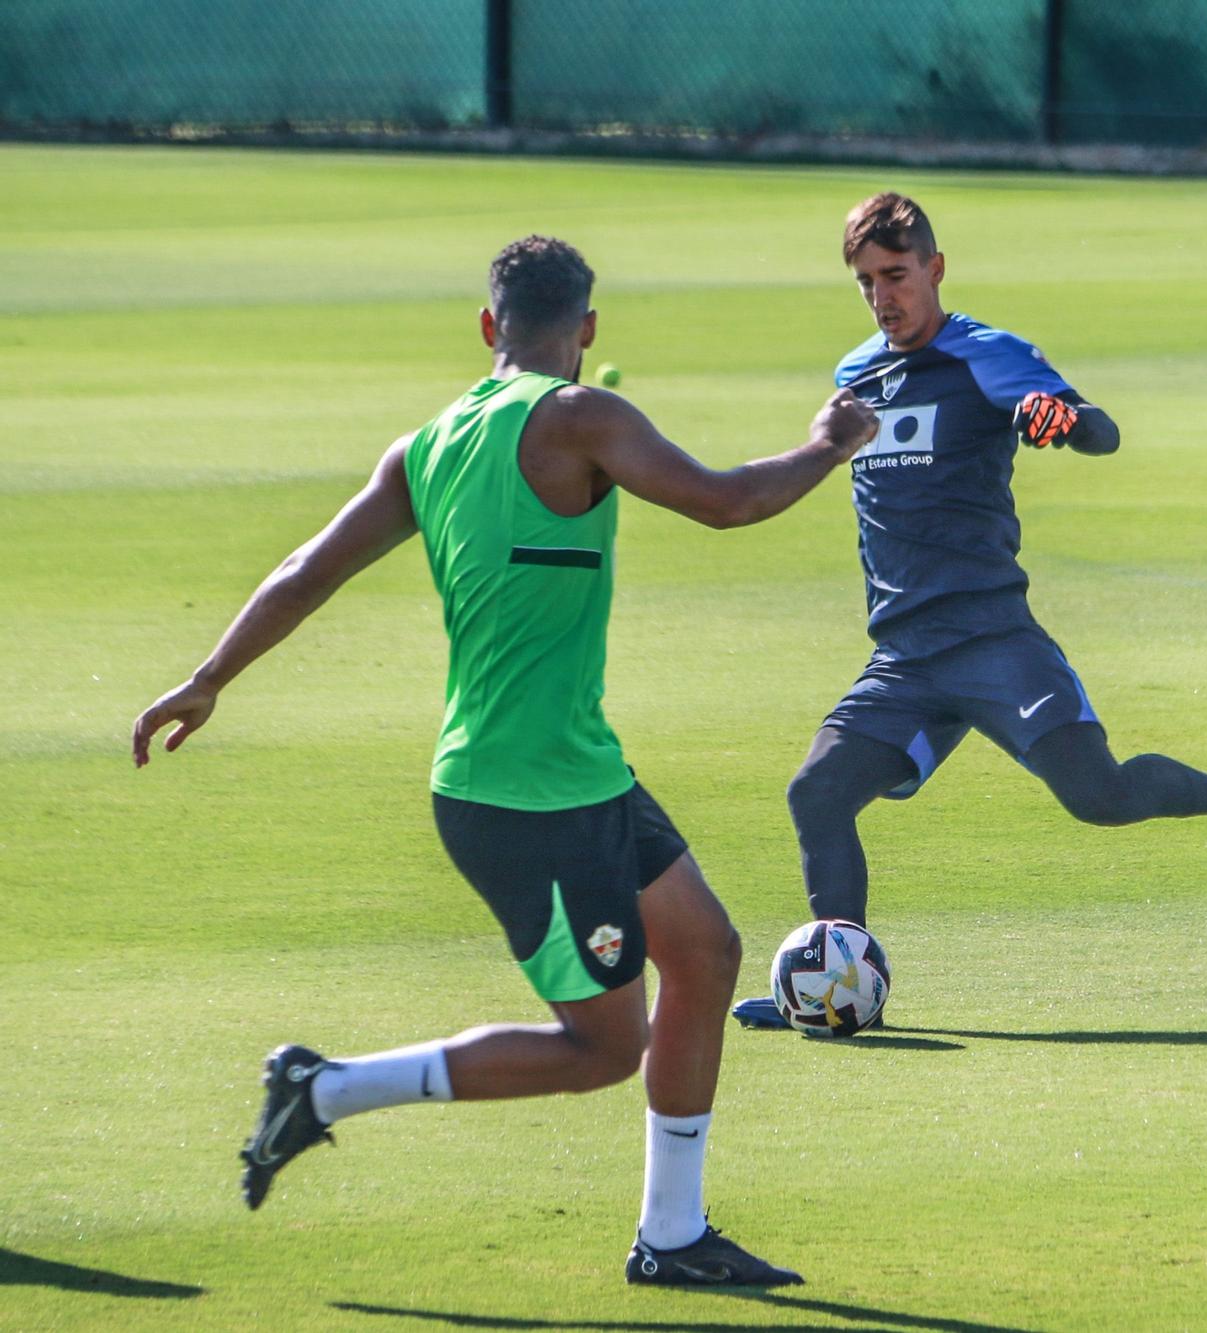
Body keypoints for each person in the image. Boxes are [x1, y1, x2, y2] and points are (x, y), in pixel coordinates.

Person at [131, 236, 879, 1285]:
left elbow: (307, 570)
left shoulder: (426, 445)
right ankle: (326, 1088)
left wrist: (208, 676)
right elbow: (728, 500)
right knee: (602, 1050)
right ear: (586, 331)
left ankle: (671, 1234)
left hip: (572, 772)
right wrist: (828, 442)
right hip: (529, 801)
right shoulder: (581, 416)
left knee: (703, 954)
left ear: (488, 326)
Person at [733, 193, 1207, 1031]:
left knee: (1099, 796)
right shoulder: (855, 377)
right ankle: (836, 987)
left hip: (994, 640)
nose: (883, 297)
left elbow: (1097, 430)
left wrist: (1059, 420)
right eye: (864, 282)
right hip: (906, 658)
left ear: (935, 269)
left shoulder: (987, 355)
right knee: (817, 792)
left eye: (895, 275)